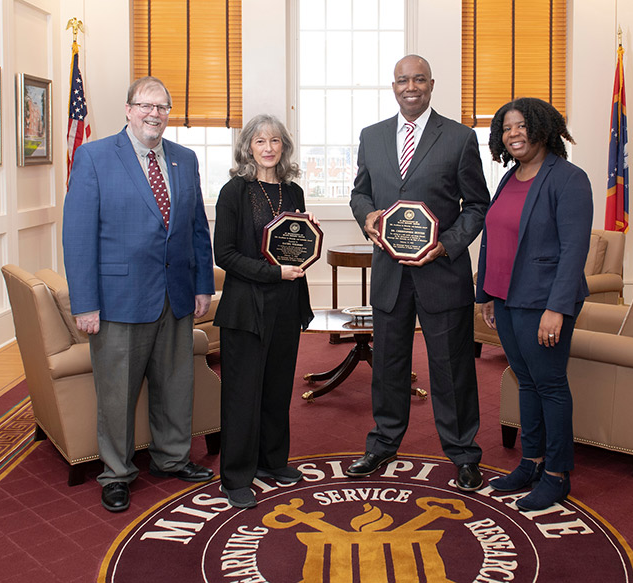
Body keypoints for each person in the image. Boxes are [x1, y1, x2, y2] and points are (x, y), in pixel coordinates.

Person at [63, 76, 216, 513]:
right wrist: (86, 303)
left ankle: (171, 458)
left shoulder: (184, 160)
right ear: (128, 110)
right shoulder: (93, 157)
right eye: (145, 105)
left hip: (177, 294)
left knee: (174, 384)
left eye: (163, 107)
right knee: (117, 393)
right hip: (117, 299)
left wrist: (203, 284)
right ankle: (116, 472)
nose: (155, 113)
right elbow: (77, 237)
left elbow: (196, 228)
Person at [347, 55, 489, 491]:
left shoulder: (461, 138)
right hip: (390, 275)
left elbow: (477, 205)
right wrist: (368, 216)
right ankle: (383, 442)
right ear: (394, 86)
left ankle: (463, 453)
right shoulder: (371, 136)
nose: (411, 86)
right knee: (388, 365)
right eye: (403, 80)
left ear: (431, 84)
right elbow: (360, 192)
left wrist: (446, 245)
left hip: (441, 275)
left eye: (419, 79)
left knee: (452, 368)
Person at [475, 97, 593, 510]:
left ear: (543, 127)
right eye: (507, 128)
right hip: (505, 299)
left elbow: (574, 250)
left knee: (550, 385)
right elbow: (496, 235)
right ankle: (532, 462)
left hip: (543, 302)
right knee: (525, 381)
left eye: (522, 125)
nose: (514, 133)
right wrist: (487, 293)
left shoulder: (569, 179)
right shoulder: (509, 178)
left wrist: (556, 309)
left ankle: (557, 475)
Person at [213, 114, 314, 509]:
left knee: (277, 388)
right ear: (247, 148)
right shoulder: (233, 191)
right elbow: (225, 254)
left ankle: (272, 461)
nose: (268, 148)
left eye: (275, 141)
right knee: (242, 393)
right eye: (260, 141)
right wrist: (273, 272)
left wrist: (309, 242)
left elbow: (300, 246)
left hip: (286, 304)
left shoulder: (294, 193)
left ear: (284, 147)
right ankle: (236, 476)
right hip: (246, 306)